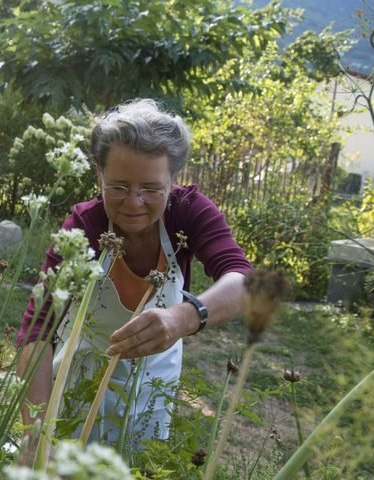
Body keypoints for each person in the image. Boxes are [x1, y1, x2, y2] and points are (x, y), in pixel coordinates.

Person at [16, 98, 252, 457]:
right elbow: (38, 329)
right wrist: (36, 437)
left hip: (155, 386)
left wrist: (183, 317)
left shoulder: (189, 214)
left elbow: (244, 280)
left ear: (173, 180)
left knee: (140, 463)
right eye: (119, 187)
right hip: (78, 387)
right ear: (99, 174)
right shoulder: (85, 227)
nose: (134, 203)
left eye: (152, 189)